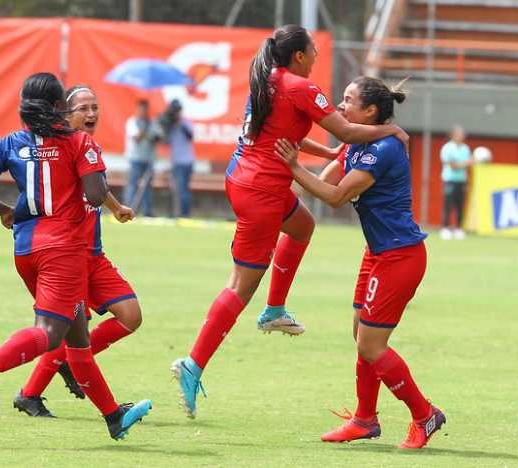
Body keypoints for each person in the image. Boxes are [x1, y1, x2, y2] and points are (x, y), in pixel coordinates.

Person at [170, 24, 408, 420]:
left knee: (302, 226)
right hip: (262, 191)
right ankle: (193, 365)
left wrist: (327, 150)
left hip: (248, 177)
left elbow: (288, 137)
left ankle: (274, 308)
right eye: (313, 50)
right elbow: (347, 129)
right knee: (239, 287)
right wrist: (393, 130)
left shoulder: (268, 77)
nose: (316, 57)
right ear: (299, 55)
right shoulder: (299, 86)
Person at [0, 72, 151, 440]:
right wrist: (89, 170)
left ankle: (114, 418)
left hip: (26, 249)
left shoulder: (10, 142)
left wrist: (4, 210)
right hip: (63, 250)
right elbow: (95, 196)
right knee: (51, 334)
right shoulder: (79, 143)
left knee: (78, 338)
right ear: (58, 107)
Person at [275, 76, 445, 449]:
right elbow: (323, 181)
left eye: (348, 100)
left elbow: (334, 197)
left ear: (369, 111)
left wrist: (292, 166)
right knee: (362, 337)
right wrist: (303, 160)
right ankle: (365, 419)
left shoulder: (382, 150)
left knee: (371, 345)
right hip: (378, 254)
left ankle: (424, 414)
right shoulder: (361, 142)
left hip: (400, 256)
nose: (340, 105)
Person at [13, 85, 145, 418]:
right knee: (67, 331)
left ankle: (64, 369)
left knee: (131, 316)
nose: (91, 114)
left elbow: (96, 187)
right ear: (64, 113)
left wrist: (115, 207)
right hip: (67, 255)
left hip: (93, 255)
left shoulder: (88, 147)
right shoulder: (57, 151)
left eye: (95, 107)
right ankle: (31, 392)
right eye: (82, 108)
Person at [124, 99, 158, 217]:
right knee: (133, 184)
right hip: (135, 158)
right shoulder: (132, 122)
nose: (144, 112)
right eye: (142, 109)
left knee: (147, 187)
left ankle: (147, 212)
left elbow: (156, 138)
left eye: (146, 109)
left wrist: (148, 133)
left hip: (148, 158)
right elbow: (136, 138)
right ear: (138, 109)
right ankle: (129, 209)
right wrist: (145, 131)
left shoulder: (152, 122)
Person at [160, 99, 194, 217]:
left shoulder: (185, 122)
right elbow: (165, 141)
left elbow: (190, 136)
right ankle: (177, 213)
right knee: (175, 189)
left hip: (186, 160)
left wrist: (180, 125)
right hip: (175, 161)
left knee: (183, 189)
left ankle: (185, 214)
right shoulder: (170, 125)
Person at [440, 125, 472, 240]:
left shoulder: (465, 148)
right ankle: (445, 228)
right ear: (453, 135)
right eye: (460, 134)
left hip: (461, 181)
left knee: (460, 206)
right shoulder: (447, 148)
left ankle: (458, 229)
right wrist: (468, 162)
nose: (462, 136)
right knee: (448, 205)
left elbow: (467, 166)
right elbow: (453, 166)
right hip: (450, 180)